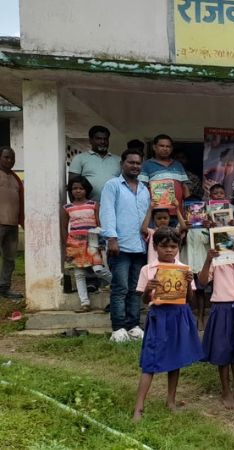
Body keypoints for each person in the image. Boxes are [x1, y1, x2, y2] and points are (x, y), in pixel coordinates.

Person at [132, 228, 204, 422]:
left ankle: (170, 401)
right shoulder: (148, 269)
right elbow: (145, 300)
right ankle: (139, 406)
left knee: (176, 358)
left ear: (178, 247)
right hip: (159, 316)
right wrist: (149, 289)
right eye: (164, 246)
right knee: (150, 360)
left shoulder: (184, 269)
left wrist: (189, 284)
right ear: (155, 247)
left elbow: (189, 300)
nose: (169, 251)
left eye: (173, 246)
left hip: (179, 315)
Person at [198, 241, 234, 410]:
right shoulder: (217, 261)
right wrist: (208, 260)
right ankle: (226, 391)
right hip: (221, 308)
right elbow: (202, 282)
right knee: (222, 349)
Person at [100, 149, 151, 342]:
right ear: (122, 163)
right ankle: (118, 328)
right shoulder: (113, 186)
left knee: (135, 289)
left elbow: (147, 216)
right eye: (131, 163)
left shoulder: (144, 189)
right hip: (119, 246)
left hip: (140, 247)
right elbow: (107, 212)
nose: (135, 166)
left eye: (138, 163)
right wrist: (111, 238)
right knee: (120, 288)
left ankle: (133, 325)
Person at [62, 176, 112, 312]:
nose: (77, 191)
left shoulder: (93, 204)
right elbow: (64, 227)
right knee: (79, 274)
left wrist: (102, 241)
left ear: (86, 190)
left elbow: (99, 224)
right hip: (75, 244)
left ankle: (117, 285)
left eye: (81, 188)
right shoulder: (67, 208)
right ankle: (84, 303)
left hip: (92, 243)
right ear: (70, 191)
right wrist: (66, 244)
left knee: (99, 269)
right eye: (74, 188)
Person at [139, 134, 191, 217]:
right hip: (156, 215)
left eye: (168, 146)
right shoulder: (146, 165)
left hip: (178, 213)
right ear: (154, 147)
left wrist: (189, 208)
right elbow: (141, 189)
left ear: (171, 149)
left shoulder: (178, 165)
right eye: (162, 146)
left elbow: (185, 187)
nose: (165, 149)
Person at [68, 125, 120, 201]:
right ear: (90, 140)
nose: (103, 142)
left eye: (105, 139)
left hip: (114, 206)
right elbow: (71, 186)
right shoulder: (79, 159)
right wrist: (76, 207)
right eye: (98, 139)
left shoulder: (119, 160)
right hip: (89, 208)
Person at [0, 146, 23, 299]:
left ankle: (4, 288)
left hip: (12, 224)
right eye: (6, 157)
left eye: (12, 158)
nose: (10, 160)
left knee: (9, 258)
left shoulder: (15, 178)